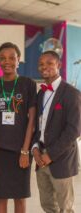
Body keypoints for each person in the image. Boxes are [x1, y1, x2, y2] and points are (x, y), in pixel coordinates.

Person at [0, 42, 37, 213]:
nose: (7, 61)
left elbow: (32, 120)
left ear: (18, 60)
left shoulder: (27, 84)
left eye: (11, 58)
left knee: (20, 197)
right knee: (1, 196)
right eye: (3, 58)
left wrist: (25, 151)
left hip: (20, 150)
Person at [32, 51, 81, 213]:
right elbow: (38, 127)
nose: (44, 67)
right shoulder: (41, 94)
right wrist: (35, 149)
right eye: (41, 64)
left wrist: (50, 155)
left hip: (61, 158)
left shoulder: (71, 94)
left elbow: (74, 130)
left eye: (49, 63)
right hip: (41, 158)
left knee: (65, 207)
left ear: (59, 65)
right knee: (47, 205)